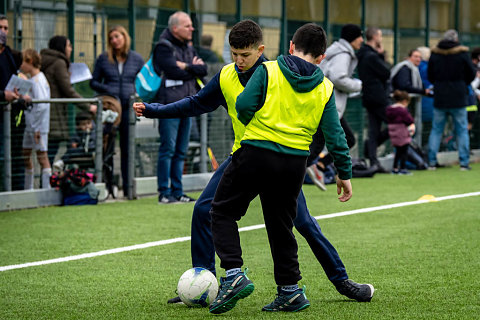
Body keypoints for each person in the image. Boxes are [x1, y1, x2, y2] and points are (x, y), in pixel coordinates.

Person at [133, 19, 374, 307]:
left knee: (304, 224)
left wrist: (303, 159)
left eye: (244, 55)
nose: (238, 61)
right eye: (233, 54)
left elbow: (326, 132)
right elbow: (195, 103)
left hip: (270, 159)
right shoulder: (227, 76)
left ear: (261, 51)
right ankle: (205, 283)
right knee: (203, 210)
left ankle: (342, 281)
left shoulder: (275, 73)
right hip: (244, 158)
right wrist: (154, 110)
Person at [208, 23, 358, 314]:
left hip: (256, 153)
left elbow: (243, 105)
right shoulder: (325, 87)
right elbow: (335, 135)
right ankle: (290, 291)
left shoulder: (269, 70)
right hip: (294, 163)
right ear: (322, 57)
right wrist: (344, 173)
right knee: (281, 226)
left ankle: (233, 274)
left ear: (291, 46)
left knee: (222, 211)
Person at [152, 11, 207, 204]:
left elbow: (203, 68)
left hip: (187, 105)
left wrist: (185, 67)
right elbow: (171, 70)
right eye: (187, 25)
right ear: (175, 28)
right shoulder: (163, 47)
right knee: (168, 149)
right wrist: (189, 68)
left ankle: (178, 192)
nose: (192, 28)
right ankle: (164, 193)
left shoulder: (188, 47)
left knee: (181, 151)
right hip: (169, 106)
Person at [90, 25, 144, 195]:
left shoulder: (136, 58)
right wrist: (108, 89)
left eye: (117, 36)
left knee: (128, 148)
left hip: (129, 108)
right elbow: (93, 82)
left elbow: (143, 82)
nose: (114, 40)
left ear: (124, 37)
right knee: (108, 148)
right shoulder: (104, 58)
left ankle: (128, 187)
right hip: (111, 109)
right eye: (111, 38)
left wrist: (136, 93)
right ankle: (108, 188)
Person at [312, 23, 364, 190]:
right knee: (347, 139)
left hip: (324, 102)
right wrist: (358, 85)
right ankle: (306, 167)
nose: (362, 40)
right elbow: (338, 77)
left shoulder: (335, 50)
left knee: (320, 142)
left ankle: (318, 165)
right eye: (360, 36)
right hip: (329, 106)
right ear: (353, 38)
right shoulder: (344, 54)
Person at [40, 35, 97, 167]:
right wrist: (88, 106)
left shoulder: (46, 61)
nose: (71, 49)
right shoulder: (58, 63)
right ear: (62, 47)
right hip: (55, 115)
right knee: (50, 153)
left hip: (46, 112)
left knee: (45, 152)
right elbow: (68, 90)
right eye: (69, 45)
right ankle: (46, 183)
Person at [427, 29, 476, 171]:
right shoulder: (462, 54)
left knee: (436, 129)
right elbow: (471, 74)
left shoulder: (435, 54)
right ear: (456, 39)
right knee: (461, 129)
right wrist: (461, 83)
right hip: (459, 96)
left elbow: (430, 75)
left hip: (440, 96)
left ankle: (431, 162)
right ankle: (464, 162)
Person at [357, 27, 391, 172]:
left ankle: (373, 160)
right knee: (396, 124)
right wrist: (382, 55)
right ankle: (370, 150)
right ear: (375, 37)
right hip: (377, 95)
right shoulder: (371, 56)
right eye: (380, 36)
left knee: (374, 129)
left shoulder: (364, 54)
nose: (381, 39)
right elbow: (386, 72)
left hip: (369, 95)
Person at [20, 48, 52, 189]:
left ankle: (46, 190)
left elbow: (42, 105)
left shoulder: (39, 80)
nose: (20, 65)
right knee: (26, 153)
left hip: (38, 127)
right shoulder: (32, 80)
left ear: (30, 61)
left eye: (22, 62)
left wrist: (37, 128)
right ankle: (29, 189)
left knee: (42, 157)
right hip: (30, 125)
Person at [0, 16, 25, 191]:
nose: (3, 31)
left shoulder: (9, 54)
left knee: (10, 156)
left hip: (9, 115)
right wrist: (2, 94)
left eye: (6, 28)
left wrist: (18, 93)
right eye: (0, 27)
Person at [386, 90, 415, 175]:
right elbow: (409, 120)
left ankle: (395, 168)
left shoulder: (389, 110)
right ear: (405, 101)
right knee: (404, 151)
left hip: (393, 133)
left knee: (397, 151)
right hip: (402, 132)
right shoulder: (402, 110)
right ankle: (403, 168)